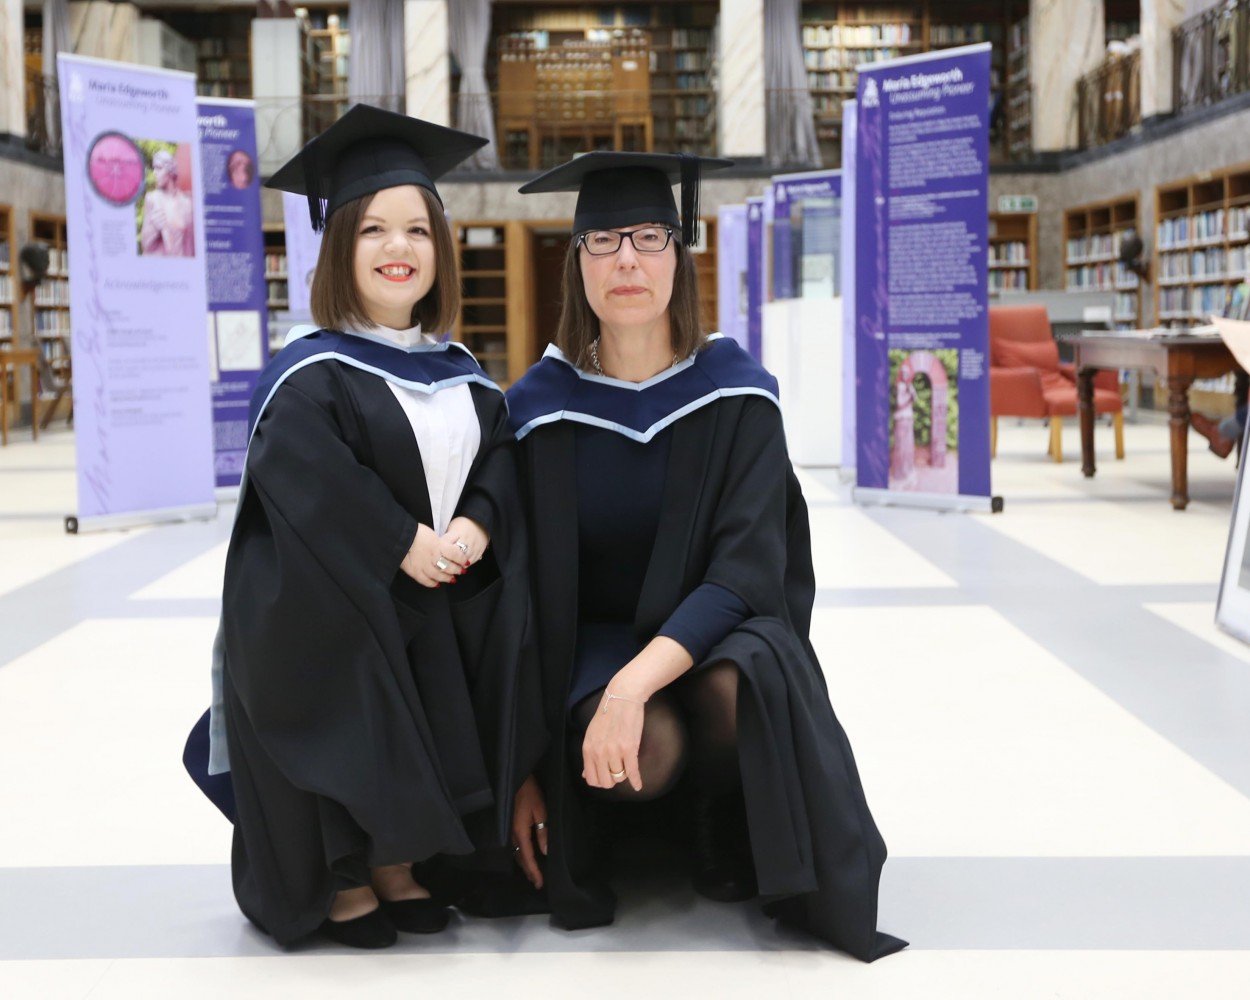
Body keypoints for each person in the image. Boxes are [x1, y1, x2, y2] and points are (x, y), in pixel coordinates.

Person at [503, 151, 906, 962]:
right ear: (576, 262)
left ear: (680, 256)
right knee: (642, 756)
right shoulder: (534, 409)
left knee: (738, 686)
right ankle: (629, 821)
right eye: (604, 240)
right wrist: (518, 767)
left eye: (649, 238)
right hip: (593, 647)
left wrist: (636, 681)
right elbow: (509, 599)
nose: (626, 260)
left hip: (711, 634)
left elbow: (751, 568)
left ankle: (722, 819)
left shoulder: (736, 394)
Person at [184, 105, 545, 950]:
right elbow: (307, 477)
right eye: (375, 228)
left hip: (435, 594)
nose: (399, 247)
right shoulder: (311, 369)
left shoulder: (457, 369)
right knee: (352, 665)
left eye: (418, 229)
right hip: (335, 597)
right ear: (340, 244)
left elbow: (498, 457)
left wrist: (477, 529)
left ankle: (402, 866)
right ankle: (348, 874)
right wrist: (402, 545)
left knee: (470, 648)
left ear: (439, 249)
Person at [139, 148, 194, 256]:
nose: (154, 173)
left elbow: (189, 246)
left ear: (170, 170)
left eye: (159, 168)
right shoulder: (152, 199)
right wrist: (154, 228)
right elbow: (145, 244)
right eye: (154, 168)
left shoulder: (187, 203)